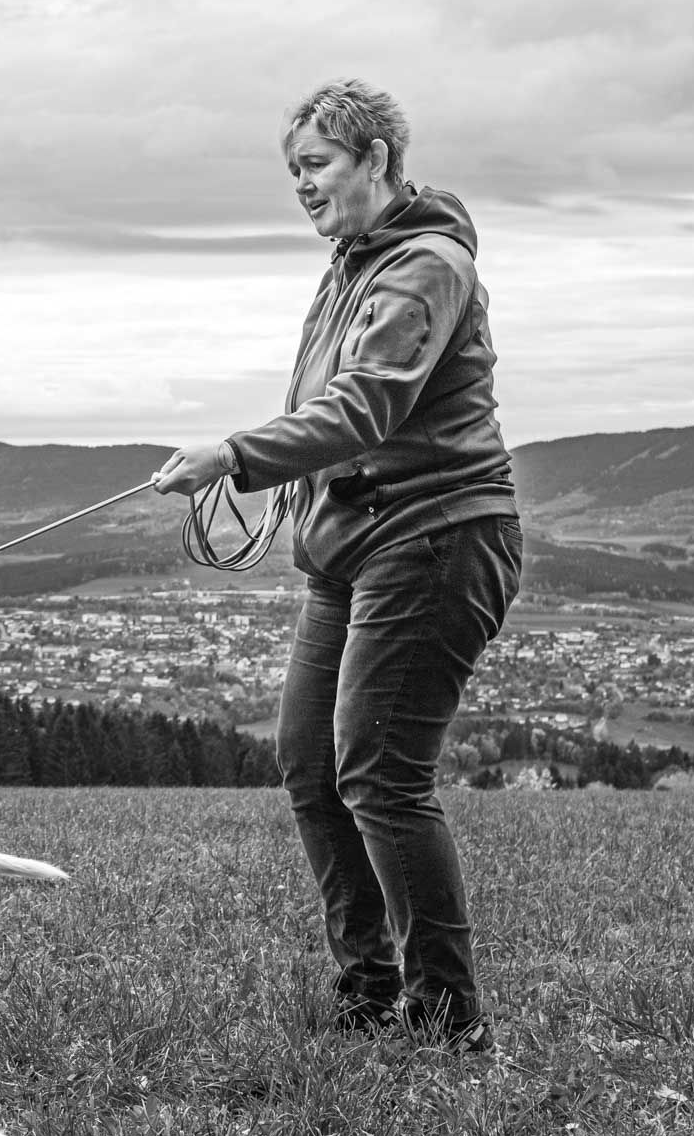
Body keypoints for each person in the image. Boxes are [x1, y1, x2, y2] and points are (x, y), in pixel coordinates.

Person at [152, 79, 521, 1052]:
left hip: (438, 538)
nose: (303, 187)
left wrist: (235, 456)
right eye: (294, 172)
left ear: (377, 160)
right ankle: (371, 993)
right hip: (352, 547)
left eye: (316, 165)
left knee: (381, 775)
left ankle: (446, 1023)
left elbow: (367, 406)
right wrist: (291, 486)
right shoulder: (348, 265)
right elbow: (325, 410)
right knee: (309, 764)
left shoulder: (426, 266)